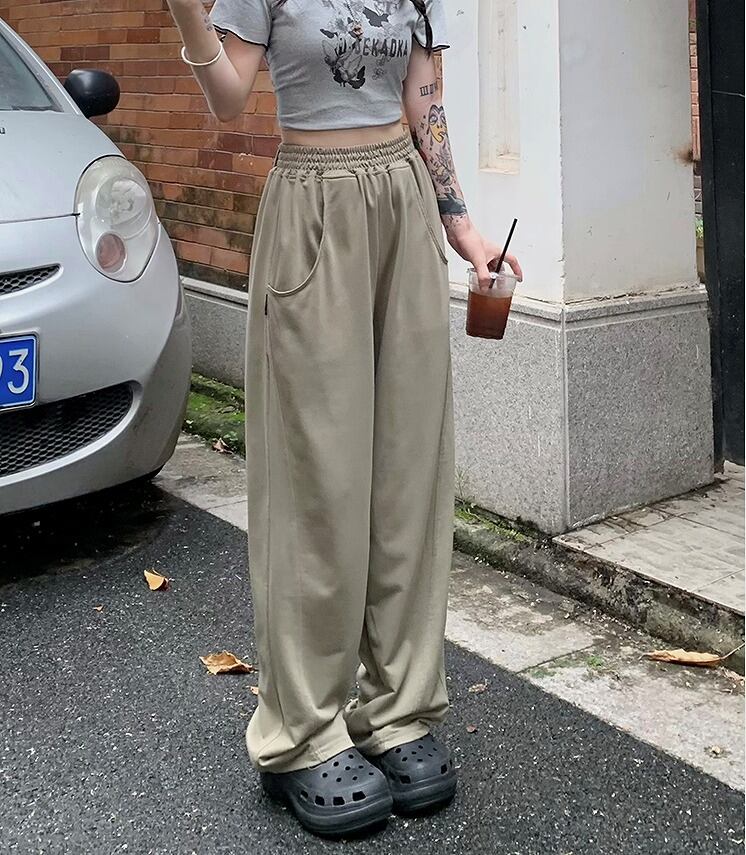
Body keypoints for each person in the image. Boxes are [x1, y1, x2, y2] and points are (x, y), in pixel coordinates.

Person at [166, 0, 522, 838]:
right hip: (313, 208)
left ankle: (396, 707)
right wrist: (185, 11)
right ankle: (302, 729)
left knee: (407, 471)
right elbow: (227, 97)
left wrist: (465, 229)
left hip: (402, 207)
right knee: (317, 480)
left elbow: (425, 105)